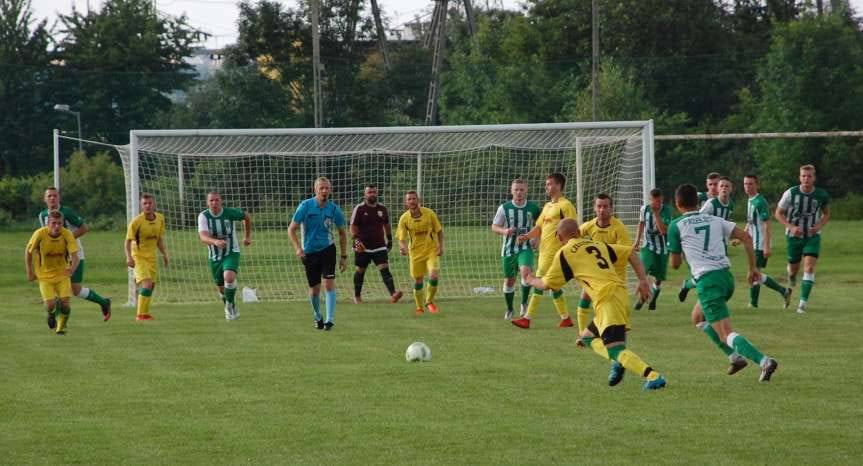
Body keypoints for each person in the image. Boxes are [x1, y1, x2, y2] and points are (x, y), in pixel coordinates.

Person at [524, 218, 667, 390]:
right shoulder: (597, 245)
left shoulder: (565, 252)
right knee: (586, 338)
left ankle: (652, 376)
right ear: (578, 232)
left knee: (615, 349)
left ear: (558, 236)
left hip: (607, 299)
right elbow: (630, 253)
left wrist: (530, 279)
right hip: (618, 295)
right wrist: (643, 280)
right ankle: (620, 362)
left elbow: (547, 284)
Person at [668, 183, 779, 382]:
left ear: (677, 204)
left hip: (708, 282)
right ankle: (735, 358)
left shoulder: (676, 225)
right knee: (697, 317)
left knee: (725, 333)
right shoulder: (715, 219)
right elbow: (746, 237)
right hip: (726, 279)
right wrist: (753, 268)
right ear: (697, 202)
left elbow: (675, 264)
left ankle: (764, 361)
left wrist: (677, 251)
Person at [510, 173, 579, 329]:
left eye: (549, 184)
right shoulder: (547, 206)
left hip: (555, 253)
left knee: (538, 282)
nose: (546, 186)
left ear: (559, 186)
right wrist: (526, 236)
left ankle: (526, 318)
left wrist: (568, 249)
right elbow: (540, 227)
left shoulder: (566, 205)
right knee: (553, 286)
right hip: (544, 252)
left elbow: (574, 228)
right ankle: (566, 318)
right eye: (546, 184)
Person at [38, 187, 111, 321]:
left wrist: (67, 239)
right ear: (44, 199)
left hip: (74, 255)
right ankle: (56, 317)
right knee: (55, 285)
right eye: (49, 196)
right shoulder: (42, 215)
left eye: (55, 196)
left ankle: (104, 302)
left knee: (75, 289)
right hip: (56, 257)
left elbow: (84, 228)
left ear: (59, 198)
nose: (52, 198)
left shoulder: (66, 212)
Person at [289, 177, 348, 330]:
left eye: (327, 188)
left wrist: (344, 256)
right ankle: (317, 315)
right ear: (315, 190)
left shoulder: (334, 209)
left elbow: (342, 233)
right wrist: (298, 248)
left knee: (328, 284)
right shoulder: (305, 206)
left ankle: (330, 319)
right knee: (314, 290)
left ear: (330, 190)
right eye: (321, 188)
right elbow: (291, 229)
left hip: (328, 250)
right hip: (309, 252)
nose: (324, 191)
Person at [775, 164, 831, 314]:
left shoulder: (821, 194)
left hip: (812, 236)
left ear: (814, 178)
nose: (806, 178)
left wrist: (818, 226)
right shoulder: (790, 193)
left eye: (809, 176)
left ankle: (802, 304)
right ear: (799, 177)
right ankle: (791, 276)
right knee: (793, 268)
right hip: (793, 237)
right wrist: (791, 227)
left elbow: (826, 214)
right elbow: (778, 213)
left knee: (809, 267)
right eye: (804, 176)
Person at [574, 194, 632, 331]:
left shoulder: (619, 228)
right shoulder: (588, 226)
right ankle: (582, 334)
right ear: (594, 208)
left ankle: (615, 328)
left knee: (615, 308)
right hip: (596, 273)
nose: (602, 210)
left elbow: (626, 253)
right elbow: (573, 240)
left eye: (605, 206)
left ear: (611, 209)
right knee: (585, 296)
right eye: (599, 206)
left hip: (615, 275)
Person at [490, 178, 541, 320]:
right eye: (516, 190)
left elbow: (541, 224)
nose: (519, 192)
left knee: (526, 274)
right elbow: (494, 226)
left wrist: (536, 238)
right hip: (508, 250)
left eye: (522, 189)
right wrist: (504, 231)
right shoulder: (504, 208)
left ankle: (524, 303)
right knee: (509, 281)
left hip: (526, 248)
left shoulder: (533, 208)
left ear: (526, 191)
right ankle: (510, 308)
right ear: (511, 191)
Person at [198, 191, 252, 321]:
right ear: (207, 203)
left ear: (221, 201)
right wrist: (215, 242)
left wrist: (247, 236)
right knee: (222, 288)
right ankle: (231, 303)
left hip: (231, 251)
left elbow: (246, 217)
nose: (214, 203)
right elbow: (203, 237)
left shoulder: (229, 213)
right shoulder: (203, 216)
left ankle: (229, 306)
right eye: (211, 201)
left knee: (229, 277)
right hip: (214, 256)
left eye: (217, 200)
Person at [25, 210, 80, 335]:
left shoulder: (67, 235)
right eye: (53, 223)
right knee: (50, 305)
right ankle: (51, 314)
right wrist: (29, 271)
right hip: (44, 275)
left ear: (62, 224)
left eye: (59, 223)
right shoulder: (39, 234)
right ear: (48, 224)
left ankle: (61, 326)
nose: (56, 226)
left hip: (62, 274)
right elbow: (28, 252)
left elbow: (75, 256)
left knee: (65, 303)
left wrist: (71, 269)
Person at [743, 175, 792, 309]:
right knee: (755, 273)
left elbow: (766, 224)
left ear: (757, 185)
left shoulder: (760, 202)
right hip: (752, 243)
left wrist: (766, 246)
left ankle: (753, 303)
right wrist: (742, 235)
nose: (747, 186)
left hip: (759, 244)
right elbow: (750, 221)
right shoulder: (750, 200)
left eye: (750, 184)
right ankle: (784, 291)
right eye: (746, 184)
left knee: (754, 273)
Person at [349, 184, 403, 304]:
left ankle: (393, 294)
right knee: (360, 270)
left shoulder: (382, 208)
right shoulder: (359, 208)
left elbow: (387, 225)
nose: (372, 194)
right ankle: (357, 297)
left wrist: (389, 239)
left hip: (379, 245)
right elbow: (352, 226)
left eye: (374, 192)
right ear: (365, 195)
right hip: (362, 246)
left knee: (384, 269)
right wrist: (356, 240)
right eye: (369, 192)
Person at [397, 190, 444, 316]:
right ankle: (419, 307)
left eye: (414, 198)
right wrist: (403, 248)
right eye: (409, 199)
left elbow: (439, 231)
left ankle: (429, 301)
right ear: (406, 203)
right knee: (418, 280)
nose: (412, 201)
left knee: (434, 275)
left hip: (431, 250)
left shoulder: (429, 213)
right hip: (415, 253)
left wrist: (441, 246)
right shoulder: (404, 218)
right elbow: (401, 239)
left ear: (418, 200)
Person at [124, 193, 169, 321]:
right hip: (138, 256)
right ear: (141, 206)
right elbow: (127, 241)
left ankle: (145, 312)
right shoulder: (136, 222)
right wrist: (129, 258)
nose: (148, 206)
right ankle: (140, 315)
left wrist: (165, 254)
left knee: (151, 286)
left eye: (150, 203)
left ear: (154, 204)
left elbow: (159, 239)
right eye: (145, 204)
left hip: (152, 257)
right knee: (147, 283)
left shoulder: (160, 218)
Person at [678, 172, 721, 302]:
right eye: (710, 184)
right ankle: (704, 298)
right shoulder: (699, 198)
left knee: (716, 271)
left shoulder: (725, 201)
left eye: (716, 184)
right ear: (706, 185)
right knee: (706, 272)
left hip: (715, 241)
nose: (713, 187)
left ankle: (689, 285)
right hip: (696, 242)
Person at [633, 188, 673, 311]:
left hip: (663, 249)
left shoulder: (667, 211)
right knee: (642, 273)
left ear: (662, 200)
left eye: (659, 202)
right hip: (648, 246)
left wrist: (656, 214)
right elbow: (641, 223)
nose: (657, 204)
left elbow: (663, 231)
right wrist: (637, 240)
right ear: (651, 200)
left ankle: (654, 298)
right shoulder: (644, 209)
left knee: (658, 279)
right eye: (655, 201)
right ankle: (641, 299)